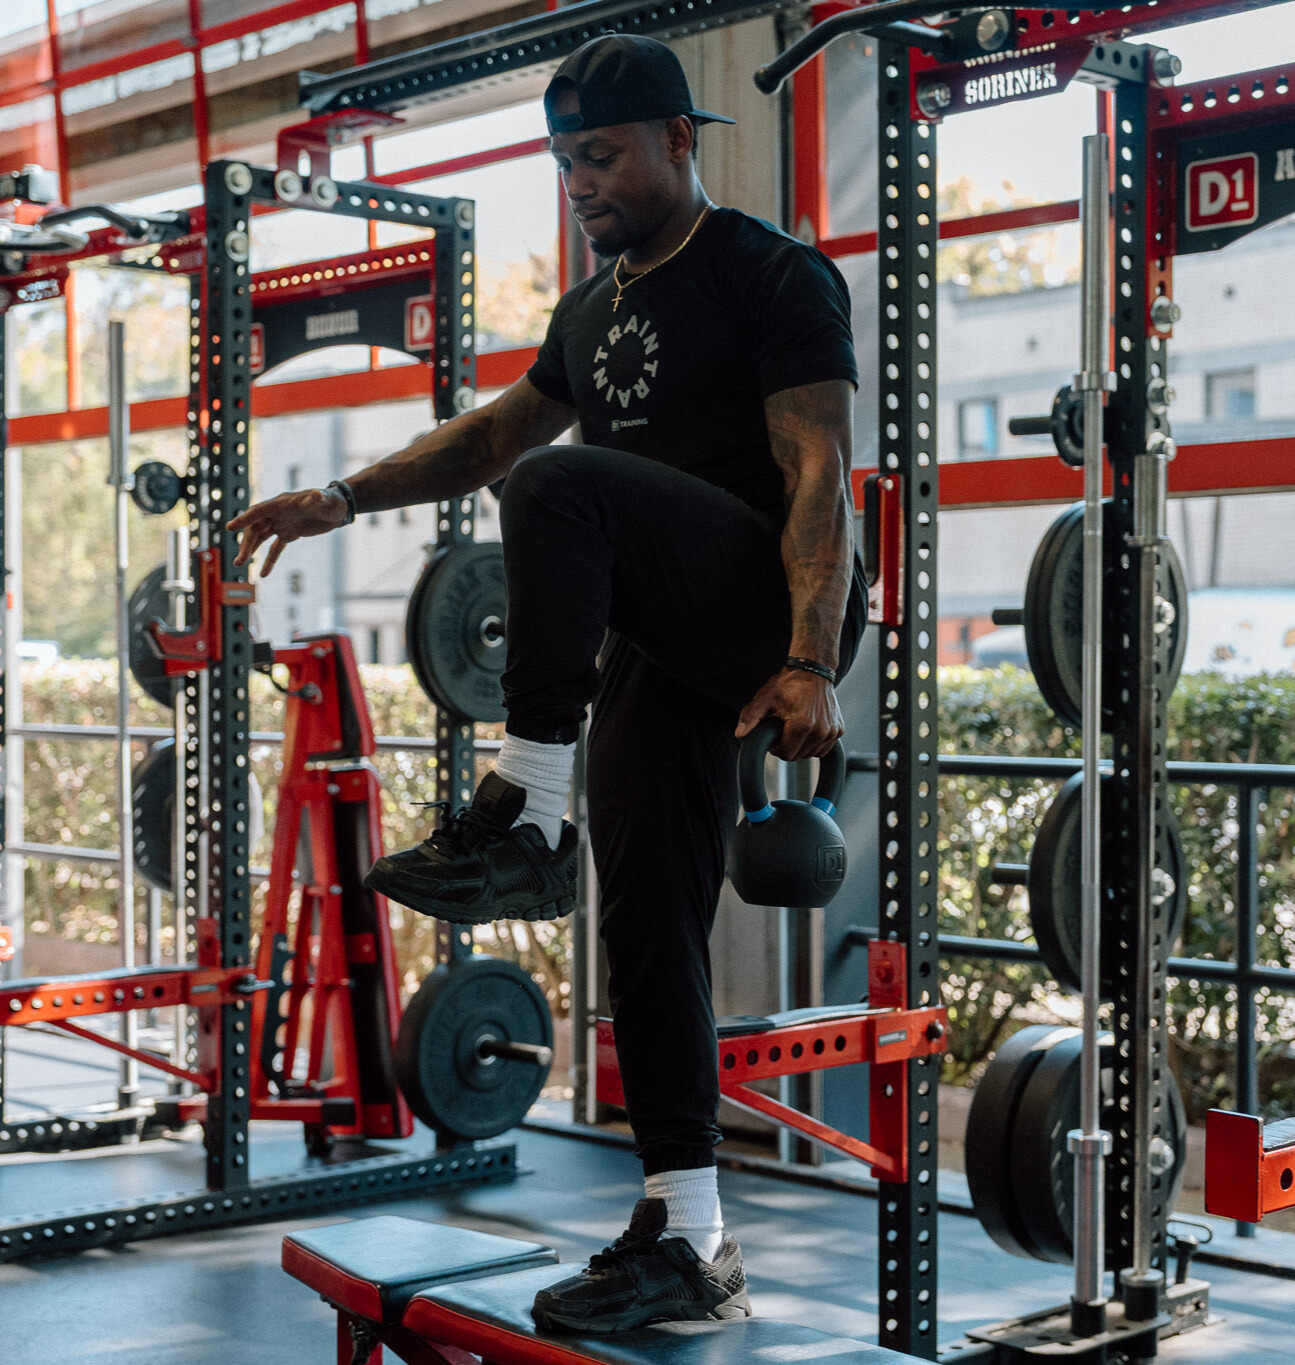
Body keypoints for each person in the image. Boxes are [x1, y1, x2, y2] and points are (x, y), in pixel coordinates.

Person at [228, 32, 865, 1335]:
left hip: (758, 615)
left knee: (560, 489)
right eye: (565, 161)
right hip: (661, 651)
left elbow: (819, 474)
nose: (581, 183)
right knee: (641, 923)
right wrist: (343, 493)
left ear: (680, 142)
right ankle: (690, 1237)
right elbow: (491, 435)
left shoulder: (768, 273)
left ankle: (528, 803)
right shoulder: (594, 309)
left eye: (605, 156)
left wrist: (807, 654)